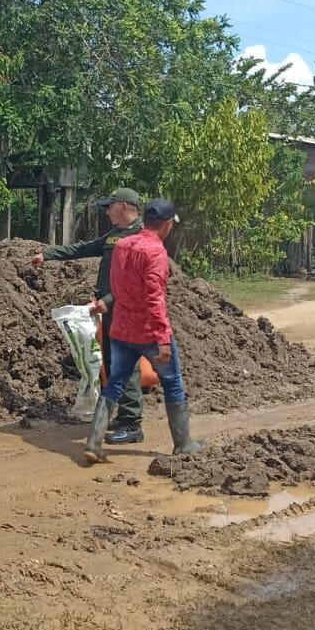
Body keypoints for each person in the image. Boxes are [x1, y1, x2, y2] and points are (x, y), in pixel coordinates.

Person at [83, 198, 203, 465]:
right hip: (148, 332)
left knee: (115, 382)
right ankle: (184, 444)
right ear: (168, 224)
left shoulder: (123, 245)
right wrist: (162, 338)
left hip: (121, 329)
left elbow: (116, 286)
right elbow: (154, 299)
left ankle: (93, 442)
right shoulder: (156, 252)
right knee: (172, 382)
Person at [31, 187, 146, 444]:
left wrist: (108, 300)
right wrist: (47, 255)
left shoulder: (141, 238)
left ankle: (132, 423)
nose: (107, 212)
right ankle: (124, 416)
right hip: (110, 309)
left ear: (124, 206)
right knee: (112, 363)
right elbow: (83, 248)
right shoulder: (115, 236)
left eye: (110, 206)